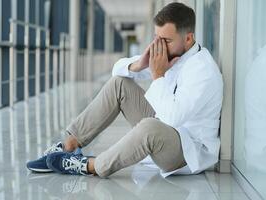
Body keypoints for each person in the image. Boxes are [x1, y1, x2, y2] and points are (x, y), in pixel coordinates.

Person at [27, 2, 223, 178]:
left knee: (149, 127)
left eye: (166, 40)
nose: (159, 46)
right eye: (157, 38)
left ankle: (89, 165)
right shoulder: (173, 54)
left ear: (188, 39)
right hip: (166, 127)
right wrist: (139, 64)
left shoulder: (203, 70)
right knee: (120, 83)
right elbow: (117, 71)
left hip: (186, 151)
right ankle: (69, 145)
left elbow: (172, 118)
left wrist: (158, 76)